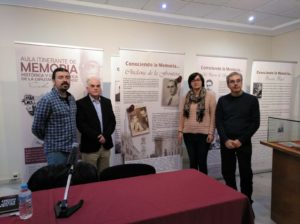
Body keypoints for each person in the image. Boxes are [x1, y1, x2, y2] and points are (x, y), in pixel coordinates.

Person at [216, 72, 260, 204]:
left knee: (246, 173)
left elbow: (255, 123)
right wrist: (225, 140)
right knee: (227, 172)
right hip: (227, 143)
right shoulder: (222, 100)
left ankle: (247, 201)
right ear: (228, 84)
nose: (235, 83)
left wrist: (241, 140)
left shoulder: (252, 100)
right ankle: (233, 199)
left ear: (241, 82)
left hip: (244, 142)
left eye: (238, 80)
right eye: (232, 81)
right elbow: (219, 122)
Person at [32, 67, 77, 165]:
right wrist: (50, 139)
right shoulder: (47, 100)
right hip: (56, 151)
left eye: (67, 77)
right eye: (60, 77)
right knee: (57, 179)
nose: (65, 80)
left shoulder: (72, 99)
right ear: (53, 80)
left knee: (71, 179)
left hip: (72, 149)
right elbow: (36, 128)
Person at [76, 76, 116, 174]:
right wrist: (98, 136)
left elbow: (112, 121)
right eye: (92, 86)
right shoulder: (80, 103)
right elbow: (81, 125)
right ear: (87, 88)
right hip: (90, 147)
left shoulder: (107, 102)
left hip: (105, 146)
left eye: (98, 86)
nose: (95, 88)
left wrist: (105, 136)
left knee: (104, 175)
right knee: (90, 176)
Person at [178, 72, 216, 174]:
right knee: (193, 161)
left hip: (204, 135)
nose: (196, 82)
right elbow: (182, 114)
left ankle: (204, 186)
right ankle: (193, 185)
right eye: (193, 80)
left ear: (202, 82)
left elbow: (213, 116)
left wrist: (211, 133)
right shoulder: (186, 96)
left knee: (202, 162)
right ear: (190, 83)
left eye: (198, 79)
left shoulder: (210, 95)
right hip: (188, 134)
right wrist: (180, 131)